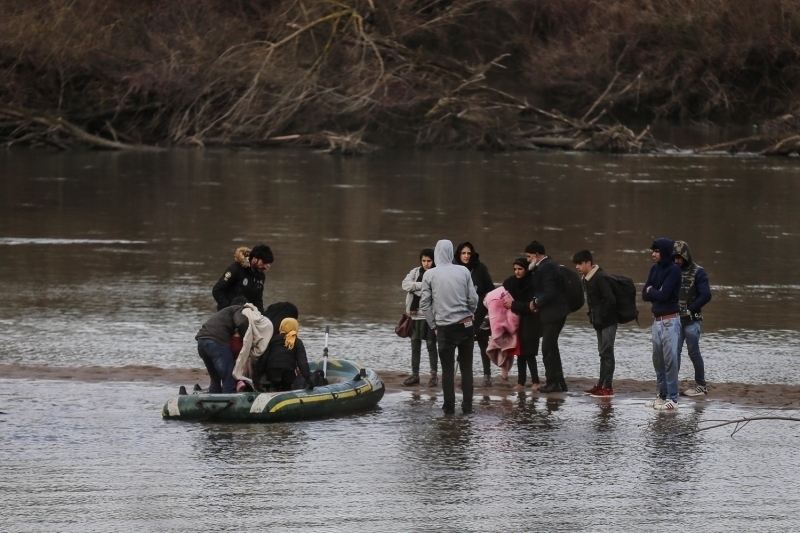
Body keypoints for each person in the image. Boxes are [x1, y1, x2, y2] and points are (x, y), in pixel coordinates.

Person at [420, 239, 479, 414]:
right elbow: (473, 299)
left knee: (447, 370)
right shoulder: (463, 270)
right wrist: (471, 313)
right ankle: (468, 407)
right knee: (467, 368)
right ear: (452, 252)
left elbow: (425, 304)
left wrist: (433, 325)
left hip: (444, 327)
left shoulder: (429, 275)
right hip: (466, 325)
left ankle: (449, 407)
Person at [642, 238, 683, 411]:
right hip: (656, 321)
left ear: (665, 252)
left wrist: (654, 291)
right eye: (653, 251)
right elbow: (645, 294)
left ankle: (673, 398)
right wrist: (653, 291)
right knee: (657, 360)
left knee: (670, 360)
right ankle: (662, 395)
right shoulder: (654, 269)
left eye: (657, 251)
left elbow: (665, 295)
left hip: (670, 321)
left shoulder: (674, 270)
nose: (653, 254)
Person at [525, 240, 570, 393]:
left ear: (537, 255)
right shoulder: (543, 266)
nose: (527, 259)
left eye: (529, 256)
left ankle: (552, 383)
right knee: (552, 347)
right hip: (551, 312)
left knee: (547, 348)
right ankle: (560, 382)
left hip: (555, 313)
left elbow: (550, 292)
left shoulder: (548, 266)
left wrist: (536, 303)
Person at [572, 250, 617, 398]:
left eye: (580, 264)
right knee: (602, 353)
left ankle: (608, 388)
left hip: (608, 322)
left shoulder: (600, 277)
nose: (577, 267)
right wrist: (594, 317)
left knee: (607, 353)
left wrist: (602, 316)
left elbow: (611, 300)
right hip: (598, 322)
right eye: (576, 264)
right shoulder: (586, 279)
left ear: (588, 263)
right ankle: (600, 385)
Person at [672, 240, 712, 396]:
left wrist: (690, 309)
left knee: (693, 352)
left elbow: (706, 295)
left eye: (679, 257)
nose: (677, 261)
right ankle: (672, 384)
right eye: (674, 257)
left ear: (686, 256)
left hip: (692, 320)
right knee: (674, 352)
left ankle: (701, 385)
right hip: (676, 320)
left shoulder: (699, 272)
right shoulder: (673, 270)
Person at [454, 242, 495, 386]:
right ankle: (466, 376)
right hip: (461, 314)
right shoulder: (454, 269)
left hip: (480, 312)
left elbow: (490, 290)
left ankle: (487, 375)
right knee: (464, 345)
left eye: (468, 253)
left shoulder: (480, 268)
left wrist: (487, 310)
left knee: (484, 344)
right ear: (458, 254)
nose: (466, 256)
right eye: (463, 253)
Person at [195, 296, 250, 393]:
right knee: (229, 379)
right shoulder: (240, 309)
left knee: (215, 379)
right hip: (216, 343)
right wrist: (247, 337)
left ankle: (212, 404)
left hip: (201, 342)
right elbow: (241, 323)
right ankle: (228, 405)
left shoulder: (224, 312)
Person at [401, 248, 439, 387]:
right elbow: (405, 284)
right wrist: (422, 285)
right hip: (415, 315)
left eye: (429, 261)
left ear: (434, 261)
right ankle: (415, 375)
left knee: (431, 345)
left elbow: (435, 289)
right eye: (424, 260)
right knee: (415, 346)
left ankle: (434, 376)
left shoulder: (437, 273)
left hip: (430, 316)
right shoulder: (415, 272)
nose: (426, 264)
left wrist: (415, 287)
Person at [503, 258, 541, 391]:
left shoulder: (533, 284)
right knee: (519, 353)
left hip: (531, 321)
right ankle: (521, 382)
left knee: (529, 353)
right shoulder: (510, 283)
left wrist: (514, 305)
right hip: (515, 321)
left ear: (526, 270)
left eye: (520, 269)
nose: (517, 272)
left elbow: (532, 306)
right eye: (515, 269)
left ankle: (536, 381)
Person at [212, 244, 273, 313]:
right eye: (264, 262)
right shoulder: (236, 269)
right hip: (228, 314)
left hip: (246, 315)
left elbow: (258, 300)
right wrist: (229, 309)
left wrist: (261, 317)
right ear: (255, 259)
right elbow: (217, 290)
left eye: (268, 264)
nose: (266, 267)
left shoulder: (260, 277)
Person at [256, 318, 311, 392]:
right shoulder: (297, 342)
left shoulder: (273, 340)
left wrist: (256, 379)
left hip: (272, 372)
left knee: (274, 386)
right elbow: (302, 362)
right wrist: (308, 379)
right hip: (288, 372)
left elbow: (263, 359)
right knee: (287, 388)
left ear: (281, 327)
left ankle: (272, 390)